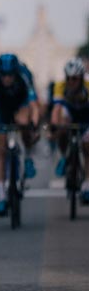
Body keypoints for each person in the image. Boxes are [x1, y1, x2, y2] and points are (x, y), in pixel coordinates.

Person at [0, 53, 39, 216]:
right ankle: (1, 196)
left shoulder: (25, 75)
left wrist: (33, 123)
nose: (7, 79)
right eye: (4, 75)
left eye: (10, 75)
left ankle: (28, 157)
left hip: (21, 103)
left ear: (15, 72)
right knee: (0, 149)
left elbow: (34, 104)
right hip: (2, 108)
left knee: (24, 122)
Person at [50, 58, 89, 202]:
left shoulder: (88, 85)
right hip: (70, 112)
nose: (71, 82)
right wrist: (55, 125)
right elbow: (56, 109)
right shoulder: (60, 85)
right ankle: (65, 155)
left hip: (86, 114)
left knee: (87, 147)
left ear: (81, 78)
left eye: (75, 79)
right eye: (69, 78)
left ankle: (87, 185)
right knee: (61, 125)